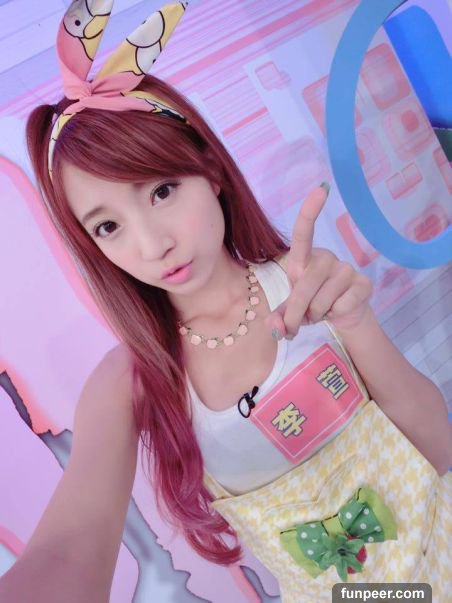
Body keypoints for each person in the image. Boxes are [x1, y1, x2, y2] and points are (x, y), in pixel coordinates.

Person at [1, 1, 451, 602]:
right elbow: (69, 548)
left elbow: (437, 451)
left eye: (161, 191)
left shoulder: (308, 285)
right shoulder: (130, 381)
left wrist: (357, 322)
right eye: (108, 227)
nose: (152, 244)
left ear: (209, 171)